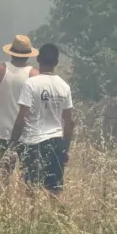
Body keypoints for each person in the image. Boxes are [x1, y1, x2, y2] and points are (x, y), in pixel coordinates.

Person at [9, 43, 74, 199]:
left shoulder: (31, 84)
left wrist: (12, 143)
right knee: (55, 191)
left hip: (32, 142)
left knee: (30, 190)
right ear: (56, 62)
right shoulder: (64, 87)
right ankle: (52, 221)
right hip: (56, 143)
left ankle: (31, 219)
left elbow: (22, 118)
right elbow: (69, 122)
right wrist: (65, 148)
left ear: (38, 59)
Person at [0, 34, 39, 184]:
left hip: (0, 135)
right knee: (29, 184)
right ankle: (28, 207)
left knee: (2, 180)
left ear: (11, 52)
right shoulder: (34, 75)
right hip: (27, 136)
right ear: (29, 55)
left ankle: (3, 205)